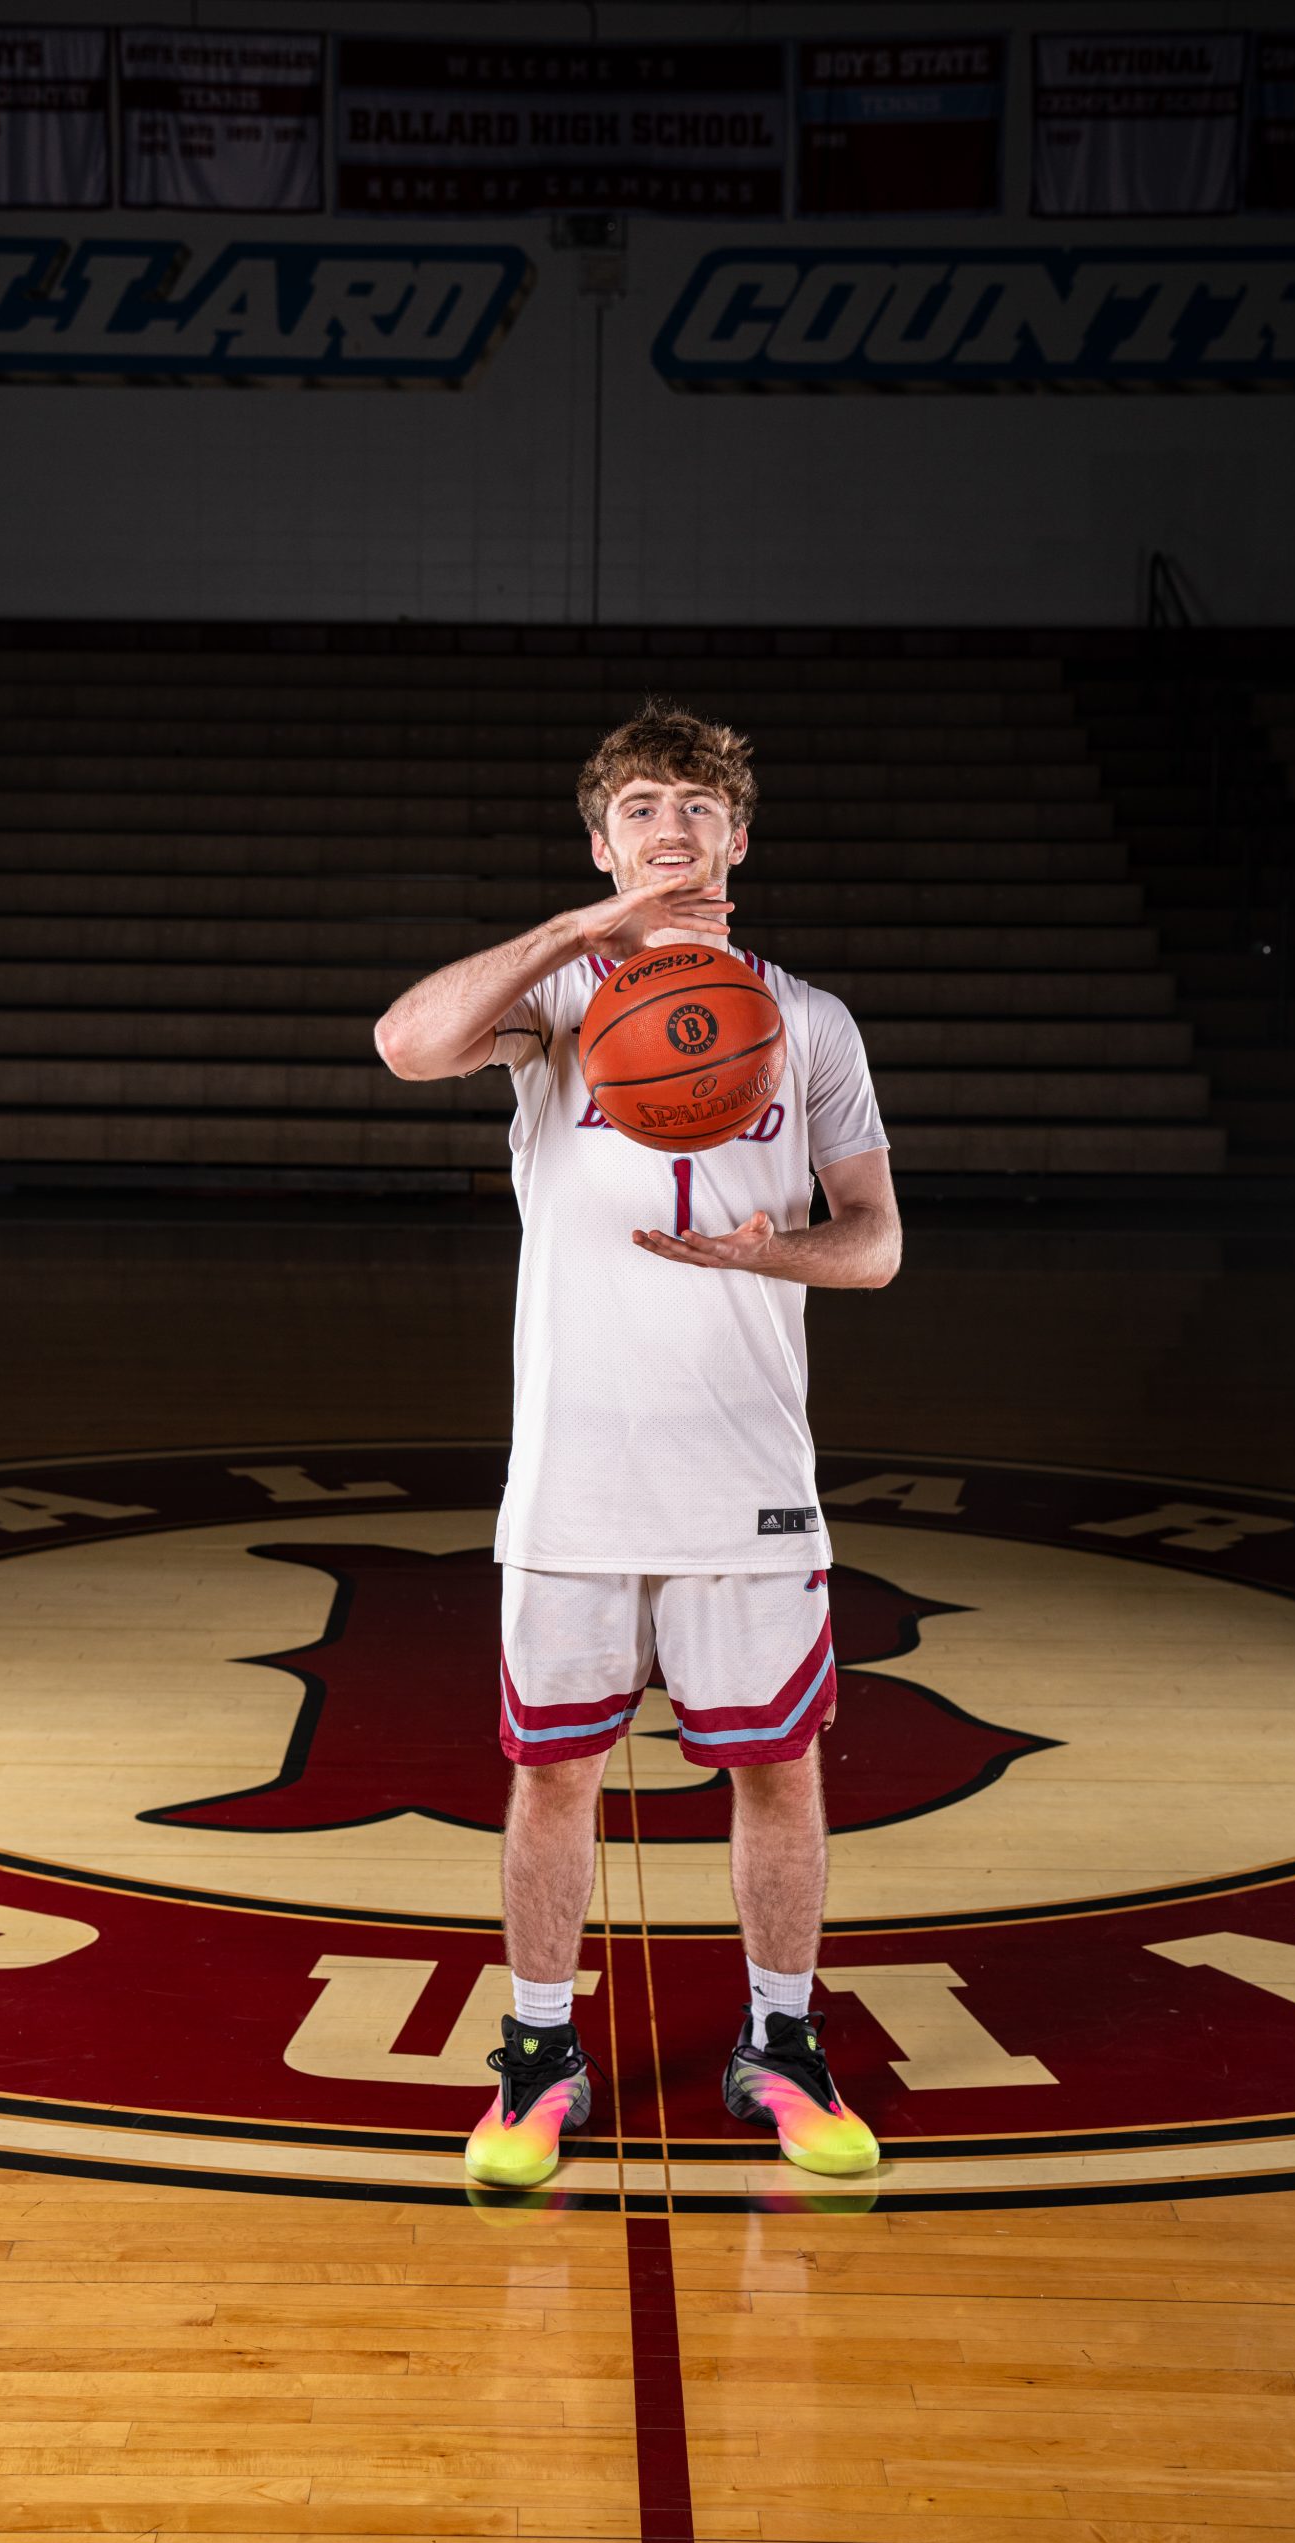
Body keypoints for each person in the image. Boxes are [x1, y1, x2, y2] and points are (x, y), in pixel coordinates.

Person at [373, 702, 901, 2188]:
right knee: (554, 1776)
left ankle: (781, 2044)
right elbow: (406, 1044)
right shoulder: (553, 1004)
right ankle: (540, 2057)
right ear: (604, 846)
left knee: (776, 1770)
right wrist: (577, 931)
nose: (675, 830)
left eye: (700, 808)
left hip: (748, 1477)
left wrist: (774, 1255)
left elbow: (873, 1246)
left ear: (739, 840)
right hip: (577, 1477)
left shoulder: (807, 1021)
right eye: (644, 810)